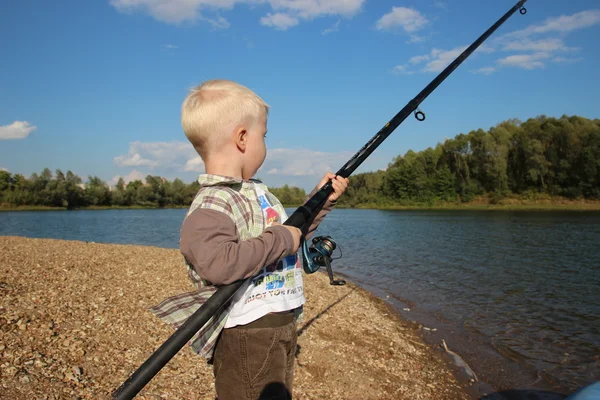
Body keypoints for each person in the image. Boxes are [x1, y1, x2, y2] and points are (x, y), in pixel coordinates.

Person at [150, 79, 349, 400]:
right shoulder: (212, 203)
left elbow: (290, 241)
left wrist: (320, 202)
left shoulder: (257, 192)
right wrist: (281, 238)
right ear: (242, 137)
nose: (265, 143)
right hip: (247, 334)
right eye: (264, 135)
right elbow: (218, 264)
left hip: (279, 325)